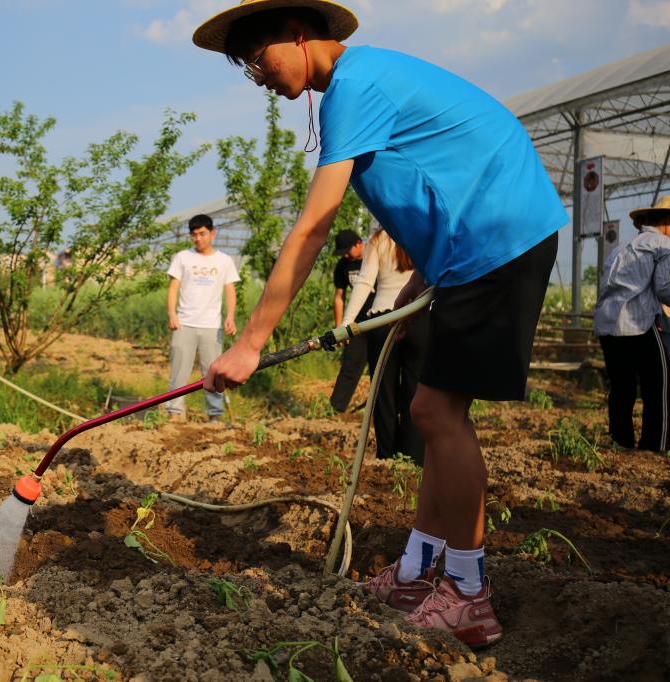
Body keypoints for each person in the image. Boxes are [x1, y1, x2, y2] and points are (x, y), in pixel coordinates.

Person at [194, 0, 565, 646]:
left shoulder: (352, 88)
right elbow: (421, 181)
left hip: (500, 235)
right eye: (247, 69)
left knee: (436, 416)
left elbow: (312, 228)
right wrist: (421, 281)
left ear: (297, 33)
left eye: (259, 58)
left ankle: (469, 595)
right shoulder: (360, 84)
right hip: (476, 244)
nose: (257, 75)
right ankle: (421, 571)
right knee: (429, 409)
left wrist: (250, 343)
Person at [342, 227, 427, 464]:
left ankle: (387, 456)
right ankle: (413, 457)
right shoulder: (422, 231)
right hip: (420, 318)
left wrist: (347, 322)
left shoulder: (379, 239)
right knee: (415, 391)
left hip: (383, 320)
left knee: (384, 393)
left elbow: (365, 282)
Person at [593, 196, 670, 452]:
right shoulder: (662, 245)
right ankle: (655, 445)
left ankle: (620, 442)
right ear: (668, 223)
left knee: (622, 387)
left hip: (608, 325)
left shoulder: (622, 246)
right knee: (658, 384)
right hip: (638, 323)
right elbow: (665, 288)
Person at [166, 214, 240, 421]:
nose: (198, 239)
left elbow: (230, 290)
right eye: (194, 235)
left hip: (211, 325)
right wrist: (172, 314)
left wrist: (230, 317)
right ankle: (175, 412)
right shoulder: (183, 257)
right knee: (179, 370)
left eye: (202, 234)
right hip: (184, 323)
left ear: (212, 233)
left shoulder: (224, 261)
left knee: (213, 372)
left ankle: (214, 415)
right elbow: (173, 288)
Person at [329, 228, 371, 413]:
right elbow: (339, 296)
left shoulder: (373, 259)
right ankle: (336, 410)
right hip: (356, 323)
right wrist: (340, 327)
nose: (346, 255)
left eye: (348, 250)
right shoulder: (343, 265)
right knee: (350, 364)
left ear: (359, 243)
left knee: (384, 366)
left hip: (382, 319)